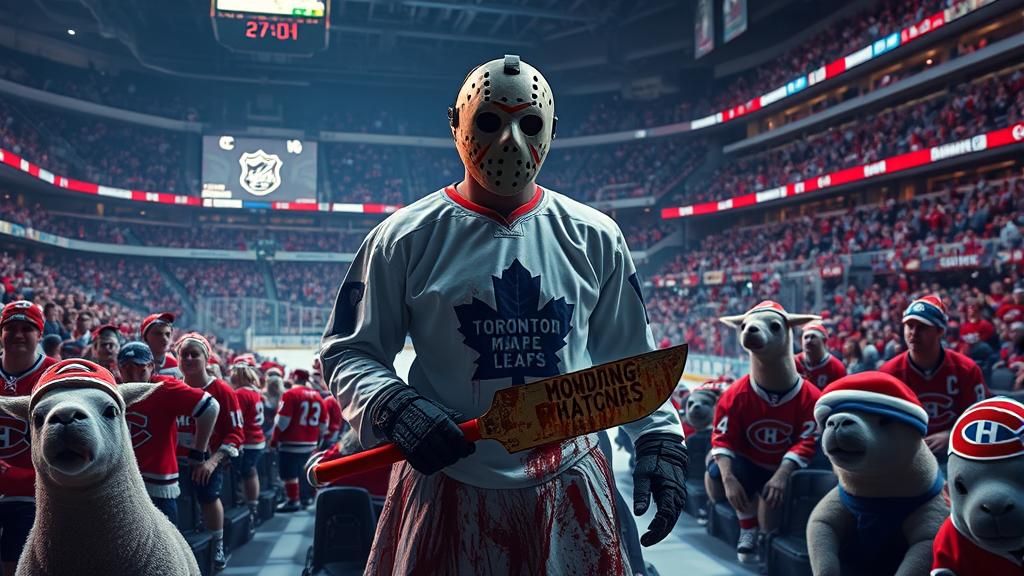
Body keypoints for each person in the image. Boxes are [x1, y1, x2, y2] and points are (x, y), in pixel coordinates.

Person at [320, 54, 686, 575]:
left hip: (570, 479)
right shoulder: (402, 238)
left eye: (529, 123)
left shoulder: (597, 236)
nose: (511, 141)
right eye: (490, 121)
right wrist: (394, 406)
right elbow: (349, 351)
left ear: (552, 130)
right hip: (443, 481)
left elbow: (631, 355)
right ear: (456, 123)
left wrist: (658, 435)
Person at [117, 341, 219, 524]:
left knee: (166, 546)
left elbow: (210, 406)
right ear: (118, 369)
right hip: (123, 484)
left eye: (140, 369)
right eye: (127, 369)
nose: (134, 376)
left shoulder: (165, 388)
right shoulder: (113, 390)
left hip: (159, 485)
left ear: (151, 366)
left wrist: (199, 451)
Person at [879, 295, 989, 458]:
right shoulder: (888, 373)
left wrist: (953, 436)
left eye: (922, 327)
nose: (913, 333)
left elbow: (982, 420)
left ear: (940, 331)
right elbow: (881, 425)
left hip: (957, 454)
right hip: (906, 456)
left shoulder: (967, 369)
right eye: (910, 326)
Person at [175, 332, 243, 570]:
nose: (190, 359)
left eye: (195, 354)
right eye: (185, 354)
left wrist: (212, 462)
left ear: (207, 358)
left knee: (208, 498)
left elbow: (236, 434)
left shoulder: (223, 391)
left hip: (206, 461)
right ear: (178, 358)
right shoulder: (172, 389)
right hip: (176, 463)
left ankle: (217, 545)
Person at [0, 301, 58, 576]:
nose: (18, 334)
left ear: (40, 334)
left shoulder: (56, 375)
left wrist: (21, 476)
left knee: (18, 561)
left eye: (27, 328)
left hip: (33, 491)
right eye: (10, 328)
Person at [271, 370, 327, 512]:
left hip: (291, 442)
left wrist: (274, 440)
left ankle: (292, 500)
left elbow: (282, 422)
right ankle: (307, 498)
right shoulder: (318, 396)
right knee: (305, 472)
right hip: (310, 442)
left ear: (295, 378)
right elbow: (323, 425)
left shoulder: (290, 394)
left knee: (289, 473)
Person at [228, 356, 267, 524]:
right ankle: (253, 506)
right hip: (256, 439)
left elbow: (237, 419)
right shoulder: (254, 392)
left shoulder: (241, 393)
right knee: (250, 472)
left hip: (248, 441)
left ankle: (251, 507)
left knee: (247, 473)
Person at [795, 322, 846, 389]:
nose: (808, 340)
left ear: (824, 341)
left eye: (813, 337)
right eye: (806, 337)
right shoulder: (794, 362)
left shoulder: (836, 367)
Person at [141, 312, 181, 378]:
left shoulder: (174, 363)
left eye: (167, 334)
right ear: (145, 337)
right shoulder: (136, 362)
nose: (164, 339)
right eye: (158, 334)